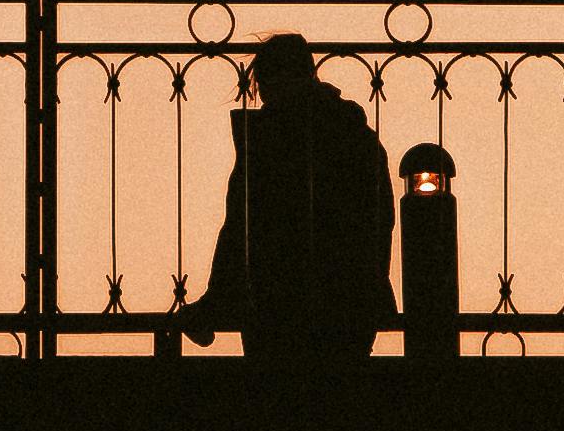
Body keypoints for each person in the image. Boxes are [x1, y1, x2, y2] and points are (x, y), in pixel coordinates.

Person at [160, 33, 397, 363]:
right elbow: (379, 224)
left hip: (273, 306)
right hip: (350, 308)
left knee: (277, 403)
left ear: (270, 80)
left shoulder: (269, 142)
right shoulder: (355, 135)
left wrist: (215, 302)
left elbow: (242, 231)